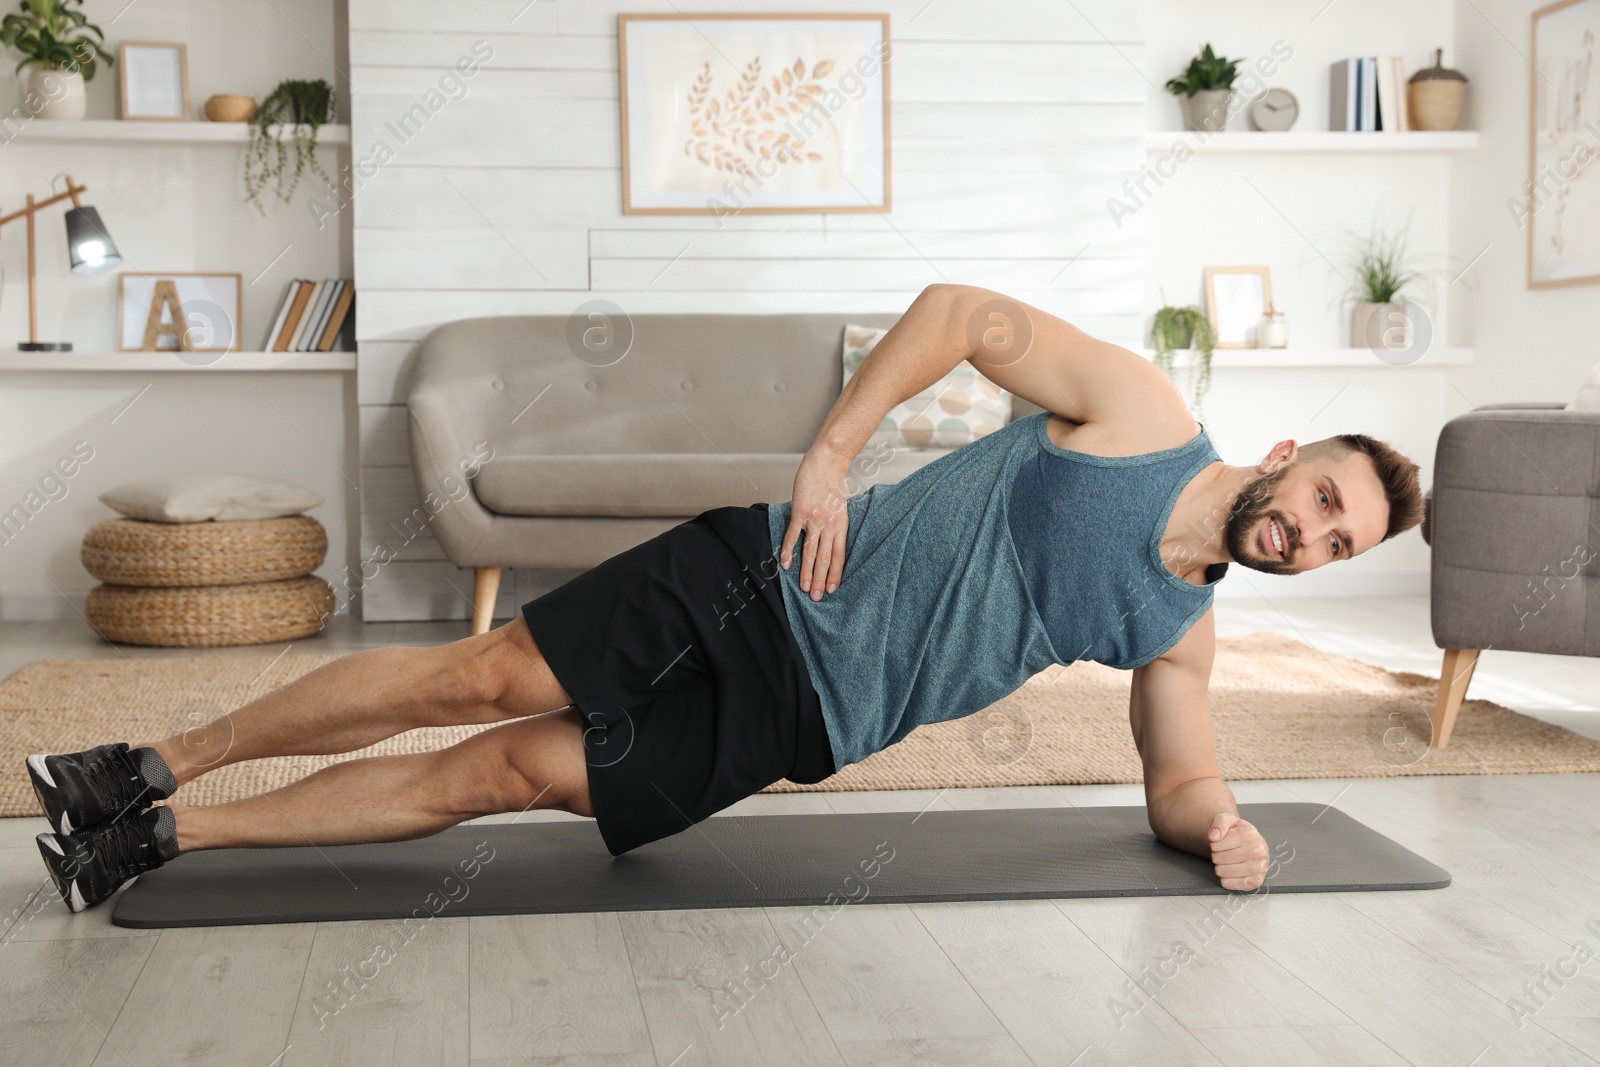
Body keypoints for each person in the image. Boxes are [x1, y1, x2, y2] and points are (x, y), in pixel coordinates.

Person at [27, 284, 1424, 913]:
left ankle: (164, 840)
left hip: (799, 723)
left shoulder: (1178, 629)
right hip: (750, 576)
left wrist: (1223, 827)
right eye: (1319, 501)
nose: (1305, 536)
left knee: (505, 776)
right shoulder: (1144, 413)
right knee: (482, 676)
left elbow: (1178, 783)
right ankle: (142, 762)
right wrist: (826, 462)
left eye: (1336, 546)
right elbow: (957, 314)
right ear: (1290, 458)